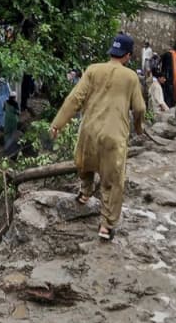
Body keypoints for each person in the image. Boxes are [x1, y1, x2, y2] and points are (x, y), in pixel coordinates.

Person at [50, 33, 146, 242]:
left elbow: (75, 98)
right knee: (112, 180)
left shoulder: (92, 70)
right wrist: (139, 127)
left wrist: (57, 124)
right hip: (114, 136)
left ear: (111, 51)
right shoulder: (130, 77)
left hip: (89, 130)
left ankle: (85, 193)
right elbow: (139, 108)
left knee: (85, 163)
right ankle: (106, 226)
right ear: (128, 55)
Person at [2, 93, 20, 157]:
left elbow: (3, 109)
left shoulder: (5, 102)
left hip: (7, 120)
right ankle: (11, 148)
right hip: (13, 120)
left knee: (7, 133)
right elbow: (18, 112)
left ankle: (5, 147)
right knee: (13, 133)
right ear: (14, 97)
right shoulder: (15, 103)